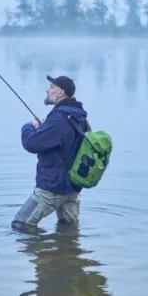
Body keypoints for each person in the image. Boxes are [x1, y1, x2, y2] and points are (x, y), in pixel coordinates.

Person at [12, 75, 91, 230]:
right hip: (73, 189)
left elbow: (31, 143)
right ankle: (66, 253)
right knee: (68, 232)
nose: (47, 90)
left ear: (61, 92)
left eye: (51, 87)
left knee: (20, 225)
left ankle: (45, 253)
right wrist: (45, 128)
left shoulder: (58, 119)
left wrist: (29, 126)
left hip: (52, 187)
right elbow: (66, 142)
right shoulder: (80, 117)